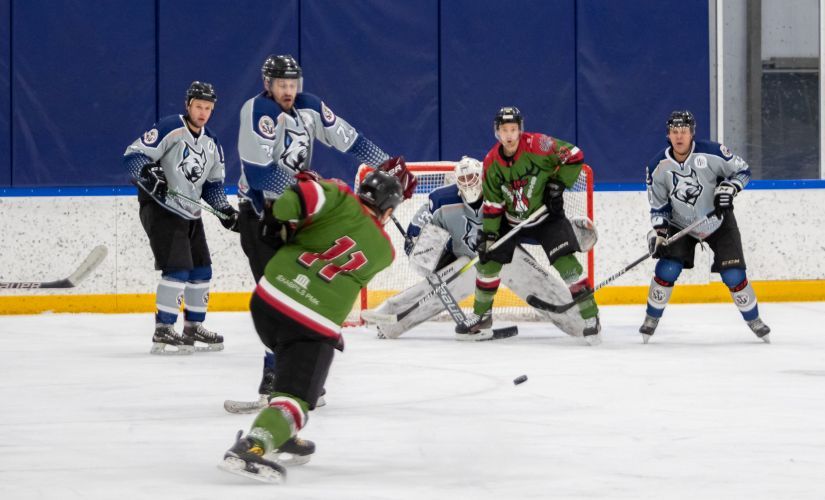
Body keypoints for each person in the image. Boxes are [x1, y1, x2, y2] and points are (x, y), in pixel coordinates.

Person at [233, 54, 415, 405]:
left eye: (292, 85)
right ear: (267, 85)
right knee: (279, 295)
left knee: (302, 293)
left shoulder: (309, 107)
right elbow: (259, 174)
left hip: (297, 216)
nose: (288, 91)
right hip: (261, 215)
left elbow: (352, 141)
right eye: (282, 85)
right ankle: (280, 379)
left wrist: (386, 166)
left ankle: (291, 379)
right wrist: (301, 181)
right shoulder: (255, 112)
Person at [218, 167, 405, 483]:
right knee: (298, 396)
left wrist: (296, 199)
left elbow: (287, 205)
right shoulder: (385, 252)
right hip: (309, 323)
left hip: (267, 302)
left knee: (289, 368)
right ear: (387, 211)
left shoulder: (338, 195)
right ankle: (255, 444)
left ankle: (279, 427)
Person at [366, 156, 596, 340]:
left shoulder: (502, 197)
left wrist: (571, 235)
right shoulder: (440, 200)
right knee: (455, 277)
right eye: (463, 179)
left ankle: (580, 322)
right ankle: (389, 320)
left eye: (473, 177)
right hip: (463, 264)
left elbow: (534, 230)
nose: (469, 183)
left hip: (503, 258)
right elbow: (416, 231)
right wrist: (429, 255)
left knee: (520, 270)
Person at [456, 106, 601, 344]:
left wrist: (558, 184)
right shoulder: (491, 162)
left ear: (520, 129)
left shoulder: (539, 146)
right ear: (497, 133)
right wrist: (490, 236)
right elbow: (492, 204)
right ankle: (482, 318)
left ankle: (591, 317)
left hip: (545, 217)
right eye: (504, 130)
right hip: (510, 220)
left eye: (513, 129)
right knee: (488, 261)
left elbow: (574, 155)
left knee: (567, 263)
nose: (510, 135)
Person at [123, 81, 239, 355]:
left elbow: (212, 186)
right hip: (160, 207)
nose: (203, 112)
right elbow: (133, 156)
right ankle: (163, 329)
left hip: (190, 213)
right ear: (188, 105)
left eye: (208, 108)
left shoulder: (212, 143)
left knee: (201, 270)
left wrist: (225, 210)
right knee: (177, 269)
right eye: (199, 106)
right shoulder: (170, 128)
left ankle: (192, 328)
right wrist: (149, 173)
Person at [640, 110, 771, 343]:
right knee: (667, 269)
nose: (679, 136)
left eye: (684, 131)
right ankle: (651, 318)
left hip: (718, 221)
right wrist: (659, 235)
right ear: (668, 135)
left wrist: (730, 188)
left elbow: (743, 171)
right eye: (674, 131)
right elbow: (659, 206)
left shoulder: (713, 153)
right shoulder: (657, 166)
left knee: (733, 274)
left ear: (692, 133)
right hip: (680, 224)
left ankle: (754, 320)